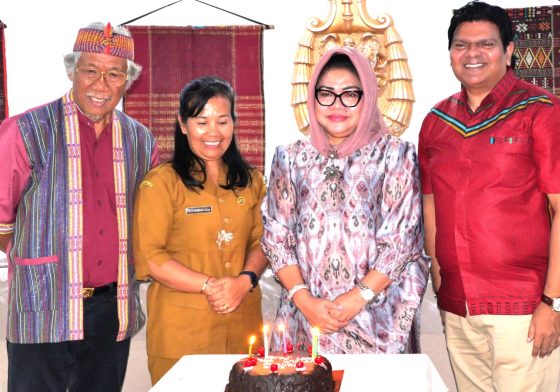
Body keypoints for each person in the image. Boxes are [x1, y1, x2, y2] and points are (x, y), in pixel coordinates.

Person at [418, 2, 560, 391]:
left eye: (486, 44)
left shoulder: (543, 112)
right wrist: (441, 281)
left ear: (509, 51)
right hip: (459, 305)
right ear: (450, 53)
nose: (472, 54)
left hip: (524, 307)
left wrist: (554, 303)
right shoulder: (436, 121)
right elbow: (431, 204)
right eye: (461, 45)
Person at [0, 22, 158, 392]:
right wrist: (42, 260)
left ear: (128, 80)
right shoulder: (25, 131)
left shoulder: (141, 140)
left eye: (114, 73)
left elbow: (146, 219)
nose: (101, 84)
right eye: (90, 70)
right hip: (43, 307)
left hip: (111, 309)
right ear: (72, 71)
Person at [261, 47, 429, 354]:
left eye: (350, 94)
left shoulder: (395, 155)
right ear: (312, 98)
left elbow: (402, 241)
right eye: (326, 93)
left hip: (378, 321)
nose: (337, 105)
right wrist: (304, 299)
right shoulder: (290, 157)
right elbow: (276, 239)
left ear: (368, 98)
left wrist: (358, 298)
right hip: (307, 321)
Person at [133, 76, 267, 384]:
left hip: (244, 329)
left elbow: (263, 241)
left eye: (222, 121)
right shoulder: (162, 183)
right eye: (201, 121)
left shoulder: (252, 180)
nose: (213, 133)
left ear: (234, 123)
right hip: (182, 334)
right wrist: (210, 286)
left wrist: (245, 280)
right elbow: (150, 257)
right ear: (182, 124)